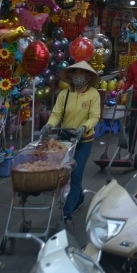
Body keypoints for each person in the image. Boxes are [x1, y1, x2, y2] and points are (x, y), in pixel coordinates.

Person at [46, 61, 102, 224]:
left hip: (84, 140)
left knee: (76, 173)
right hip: (65, 140)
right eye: (75, 74)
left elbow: (94, 116)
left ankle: (67, 213)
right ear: (70, 76)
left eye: (81, 74)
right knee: (67, 172)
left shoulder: (93, 94)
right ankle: (79, 197)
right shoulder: (64, 94)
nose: (78, 77)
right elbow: (56, 114)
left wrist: (84, 127)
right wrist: (49, 125)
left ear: (88, 77)